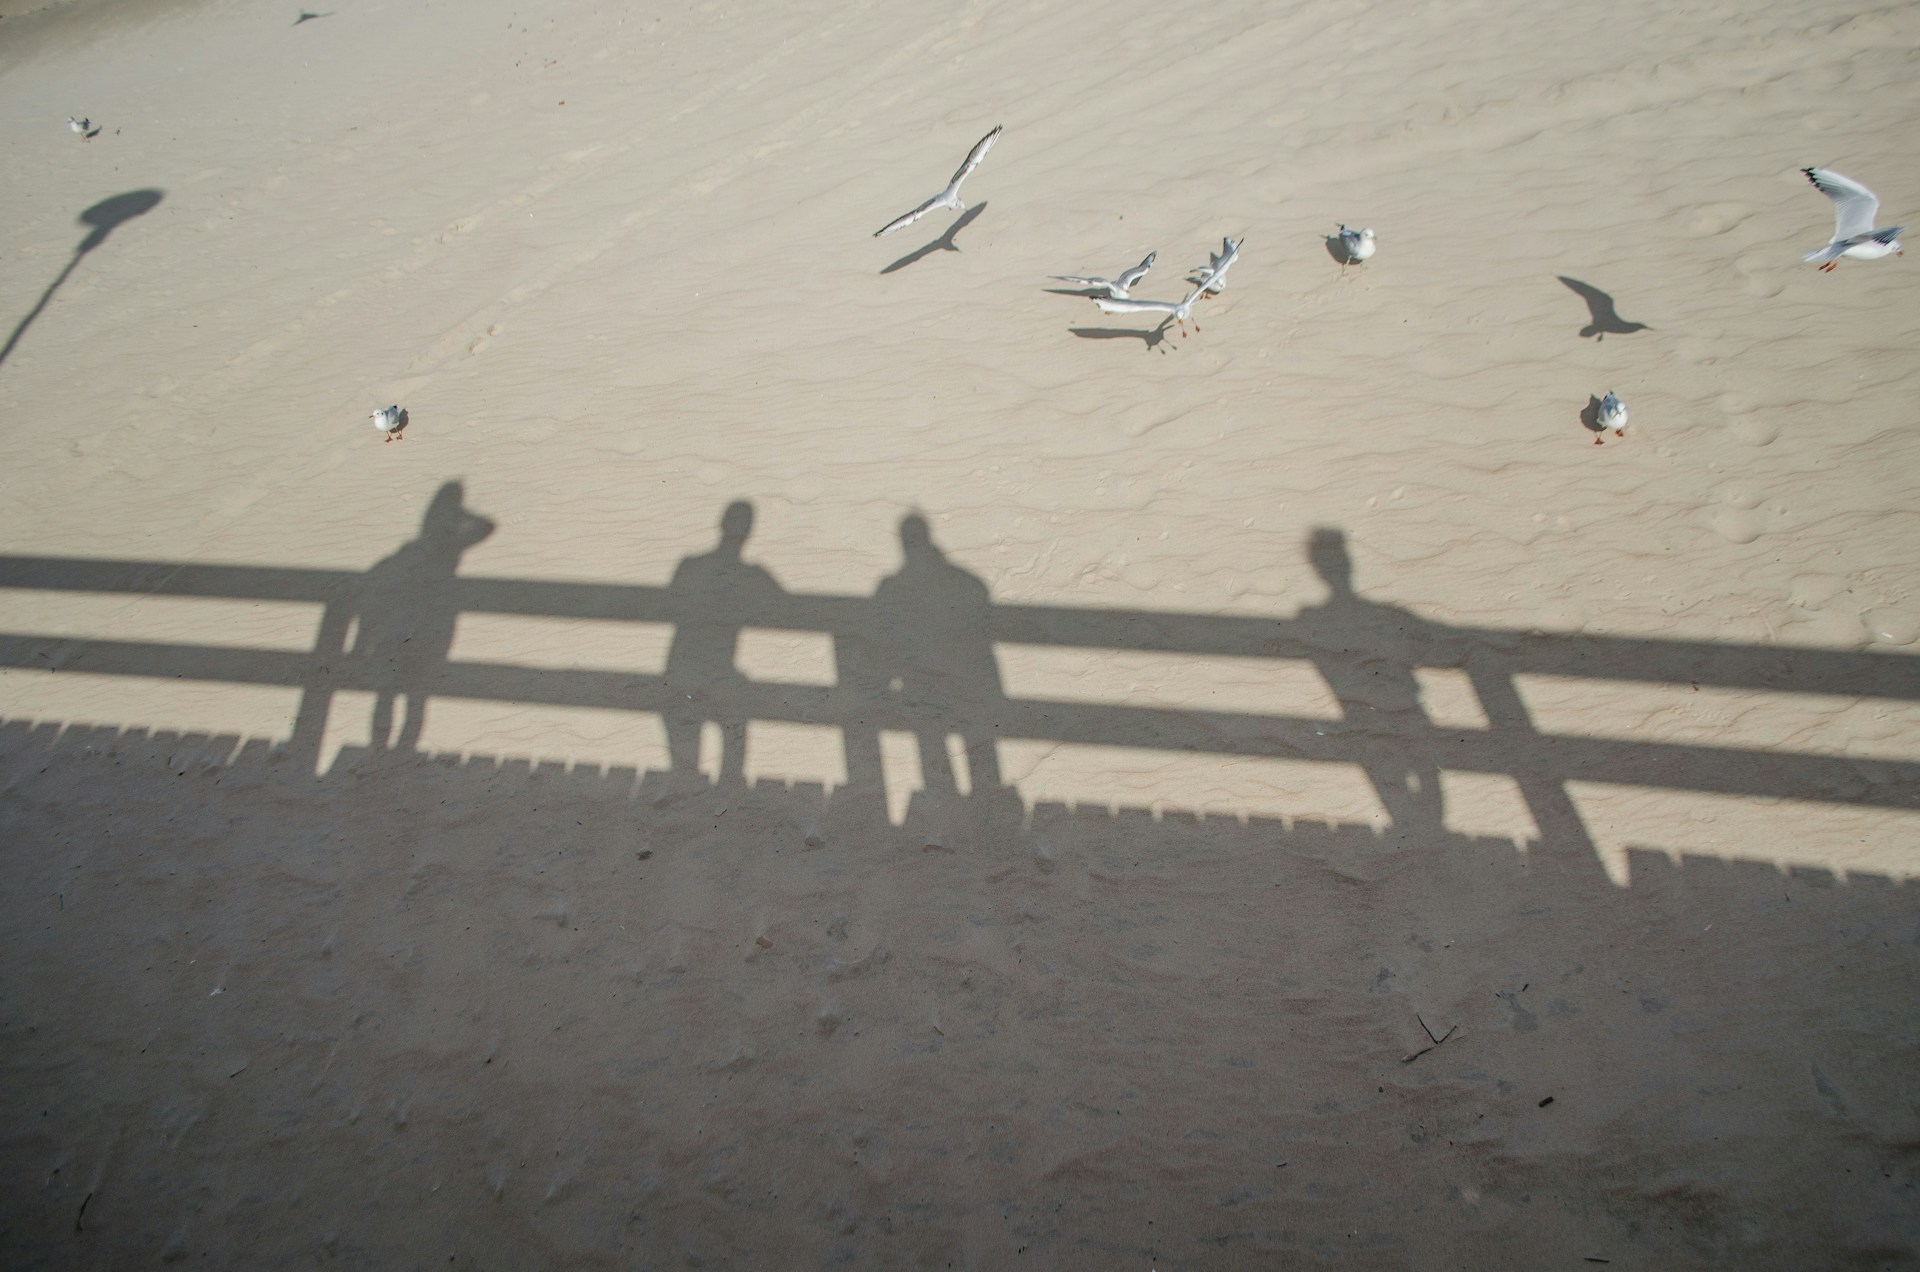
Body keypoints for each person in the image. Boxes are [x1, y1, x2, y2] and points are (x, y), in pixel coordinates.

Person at [662, 502, 782, 788]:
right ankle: (729, 781)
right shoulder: (750, 576)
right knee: (735, 704)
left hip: (677, 670)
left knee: (711, 701)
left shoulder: (691, 565)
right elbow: (788, 606)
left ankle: (688, 777)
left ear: (721, 525)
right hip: (712, 674)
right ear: (748, 532)